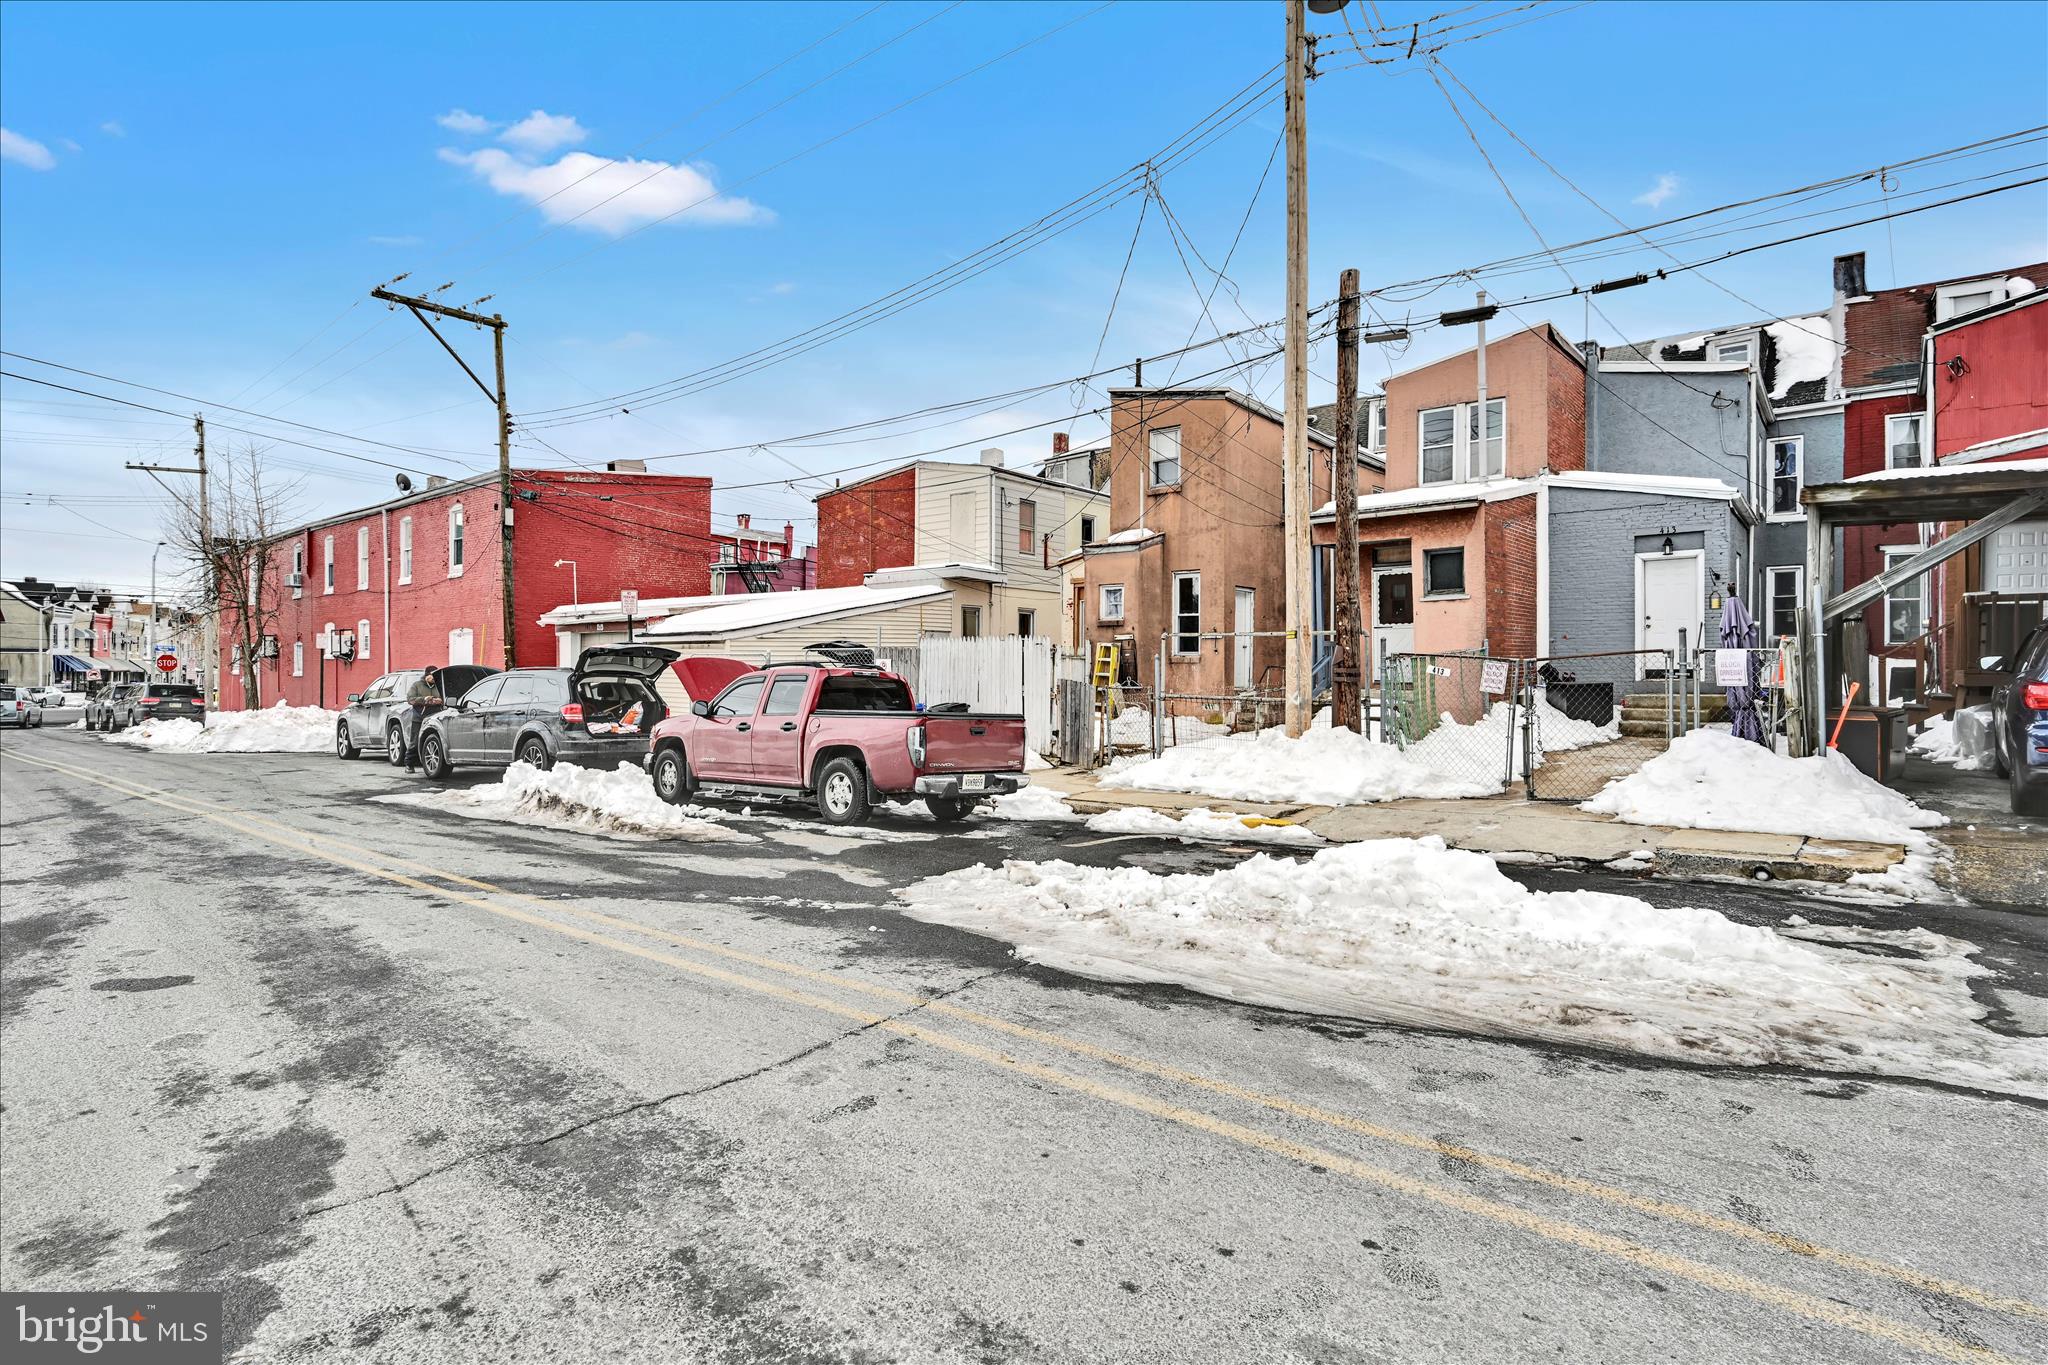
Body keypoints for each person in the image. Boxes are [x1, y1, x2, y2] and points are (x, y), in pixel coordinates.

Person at [401, 666, 444, 773]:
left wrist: (441, 701)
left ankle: (431, 765)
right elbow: (410, 699)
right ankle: (409, 764)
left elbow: (446, 698)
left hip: (435, 717)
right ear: (426, 675)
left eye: (435, 675)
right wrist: (424, 699)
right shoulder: (417, 685)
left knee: (434, 741)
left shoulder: (439, 685)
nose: (433, 678)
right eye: (432, 675)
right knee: (415, 742)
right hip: (419, 718)